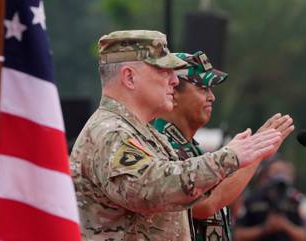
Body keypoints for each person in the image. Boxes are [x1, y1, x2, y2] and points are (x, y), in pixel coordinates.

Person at [70, 30, 284, 241]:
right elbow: (151, 188)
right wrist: (231, 157)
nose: (174, 80)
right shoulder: (110, 132)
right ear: (129, 77)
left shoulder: (141, 132)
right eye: (163, 70)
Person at [153, 51, 295, 241]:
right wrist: (256, 153)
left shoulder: (190, 147)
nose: (211, 97)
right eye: (202, 88)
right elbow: (204, 206)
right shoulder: (162, 144)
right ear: (173, 92)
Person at [234, 157, 306, 241]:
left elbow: (305, 236)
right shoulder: (252, 200)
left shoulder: (296, 200)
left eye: (283, 171)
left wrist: (285, 225)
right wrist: (265, 228)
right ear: (265, 175)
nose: (280, 175)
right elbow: (238, 235)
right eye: (276, 171)